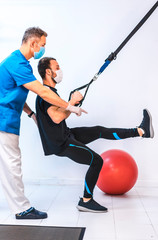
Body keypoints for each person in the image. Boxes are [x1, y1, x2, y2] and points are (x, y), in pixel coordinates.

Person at [36, 57, 154, 213]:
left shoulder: (50, 93)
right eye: (57, 67)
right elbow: (56, 118)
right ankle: (86, 200)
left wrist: (73, 106)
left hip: (66, 134)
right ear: (48, 71)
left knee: (99, 130)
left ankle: (141, 131)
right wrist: (71, 103)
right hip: (61, 143)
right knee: (97, 161)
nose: (60, 70)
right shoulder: (46, 95)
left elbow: (60, 114)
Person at [0, 27, 87, 220]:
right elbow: (44, 92)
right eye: (43, 45)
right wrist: (70, 106)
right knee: (12, 164)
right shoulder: (18, 64)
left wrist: (31, 114)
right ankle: (21, 209)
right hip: (4, 120)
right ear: (33, 43)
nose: (43, 49)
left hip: (6, 117)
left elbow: (12, 93)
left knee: (8, 164)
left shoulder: (17, 62)